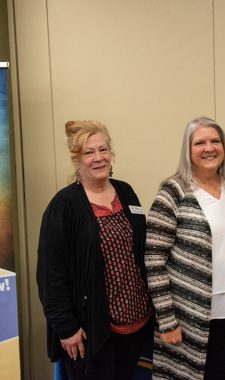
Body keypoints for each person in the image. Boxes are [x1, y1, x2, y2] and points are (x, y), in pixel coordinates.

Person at [36, 120, 154, 379]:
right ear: (76, 160)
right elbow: (50, 275)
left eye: (103, 150)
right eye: (89, 153)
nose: (98, 158)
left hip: (136, 327)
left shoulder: (126, 192)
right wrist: (66, 327)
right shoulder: (64, 205)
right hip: (91, 333)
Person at [145, 116, 225, 379]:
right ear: (188, 150)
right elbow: (154, 259)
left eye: (215, 141)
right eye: (199, 142)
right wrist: (167, 320)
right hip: (189, 316)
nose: (209, 148)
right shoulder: (174, 190)